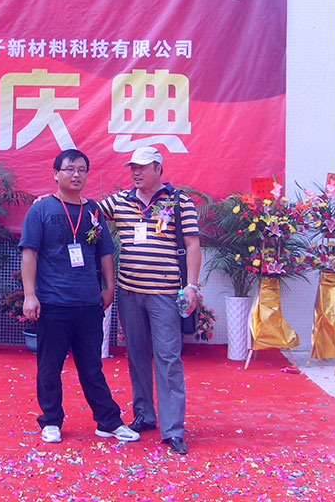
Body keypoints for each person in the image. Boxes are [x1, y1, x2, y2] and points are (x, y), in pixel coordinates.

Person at [20, 149, 139, 445]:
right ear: (55, 174)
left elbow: (105, 252)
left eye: (82, 170)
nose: (76, 175)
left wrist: (109, 287)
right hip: (53, 303)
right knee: (50, 367)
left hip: (88, 303)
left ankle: (108, 422)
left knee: (92, 367)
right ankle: (51, 421)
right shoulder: (41, 210)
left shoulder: (93, 210)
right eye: (70, 169)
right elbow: (29, 253)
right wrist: (30, 295)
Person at [98, 146, 201, 455]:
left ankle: (173, 430)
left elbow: (193, 245)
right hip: (129, 293)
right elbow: (86, 212)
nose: (136, 172)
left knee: (168, 358)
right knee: (137, 356)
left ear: (158, 169)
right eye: (133, 167)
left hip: (165, 293)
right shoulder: (119, 201)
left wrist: (192, 287)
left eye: (142, 167)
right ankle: (144, 414)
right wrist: (51, 201)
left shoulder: (180, 201)